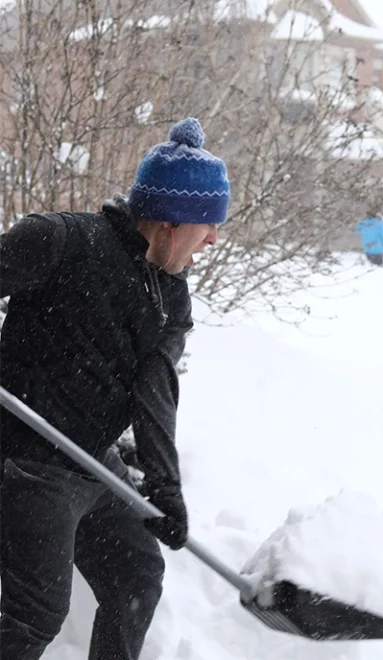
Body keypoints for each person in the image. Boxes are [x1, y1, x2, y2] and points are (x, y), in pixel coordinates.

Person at [0, 116, 230, 660]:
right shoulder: (60, 241)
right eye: (207, 227)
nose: (214, 239)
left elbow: (156, 393)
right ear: (173, 225)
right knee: (35, 614)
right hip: (27, 461)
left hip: (93, 462)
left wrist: (164, 484)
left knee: (136, 578)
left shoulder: (171, 296)